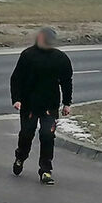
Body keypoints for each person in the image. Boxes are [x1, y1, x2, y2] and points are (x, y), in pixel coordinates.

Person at [10, 27, 73, 185]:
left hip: (49, 105)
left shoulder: (61, 58)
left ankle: (45, 170)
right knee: (27, 134)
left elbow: (66, 82)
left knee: (47, 136)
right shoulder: (27, 55)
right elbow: (16, 79)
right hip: (29, 104)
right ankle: (20, 156)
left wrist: (67, 103)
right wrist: (16, 99)